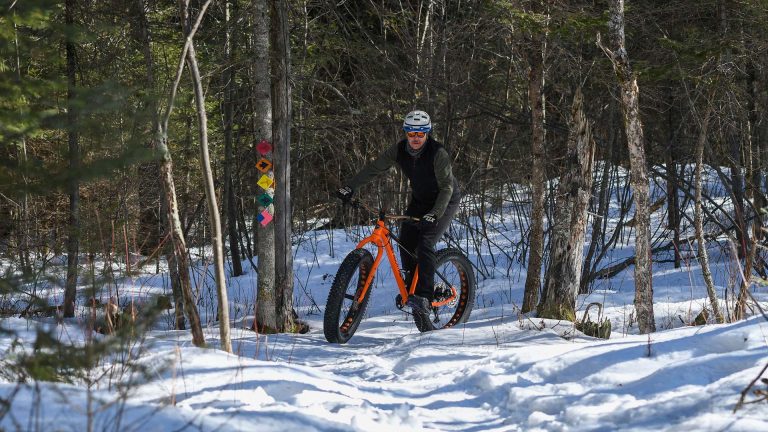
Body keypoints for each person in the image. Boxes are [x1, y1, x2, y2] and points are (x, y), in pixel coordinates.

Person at [336, 110, 460, 329]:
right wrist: (350, 186)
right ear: (405, 132)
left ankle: (424, 295)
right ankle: (412, 288)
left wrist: (435, 213)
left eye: (420, 134)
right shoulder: (400, 150)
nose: (415, 138)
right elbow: (375, 168)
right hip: (420, 201)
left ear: (427, 134)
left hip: (444, 201)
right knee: (405, 241)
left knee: (426, 242)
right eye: (411, 133)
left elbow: (447, 187)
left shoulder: (437, 153)